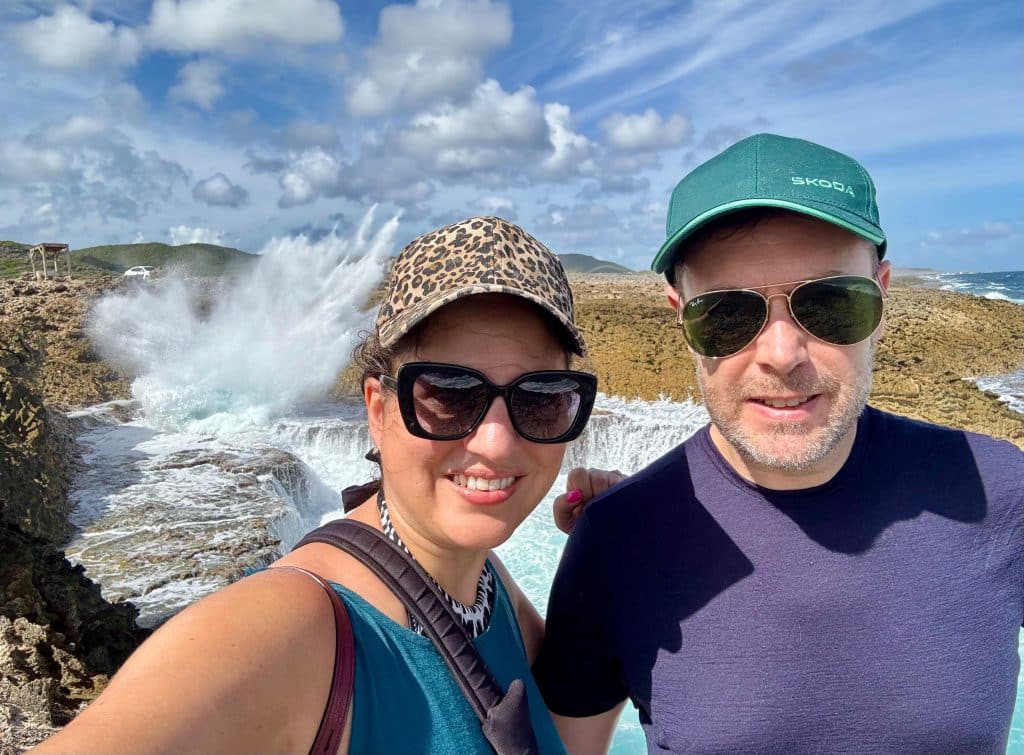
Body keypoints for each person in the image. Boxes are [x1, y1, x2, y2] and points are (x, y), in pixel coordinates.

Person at [35, 216, 602, 754]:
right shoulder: (293, 628)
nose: (496, 443)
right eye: (448, 393)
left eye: (542, 398)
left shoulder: (484, 581)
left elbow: (574, 716)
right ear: (378, 410)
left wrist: (616, 548)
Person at [534, 133, 1024, 753]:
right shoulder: (616, 541)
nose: (781, 354)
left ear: (883, 292)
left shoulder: (1000, 491)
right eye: (728, 315)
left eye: (830, 304)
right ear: (679, 315)